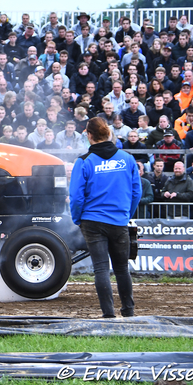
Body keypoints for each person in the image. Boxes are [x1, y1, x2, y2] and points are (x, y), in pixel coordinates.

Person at [70, 117, 141, 318]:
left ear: (89, 135)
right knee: (121, 268)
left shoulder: (83, 161)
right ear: (108, 134)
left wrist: (78, 219)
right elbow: (137, 192)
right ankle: (128, 311)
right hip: (118, 221)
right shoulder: (127, 159)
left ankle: (108, 315)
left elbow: (76, 197)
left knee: (101, 269)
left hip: (92, 221)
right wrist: (126, 214)